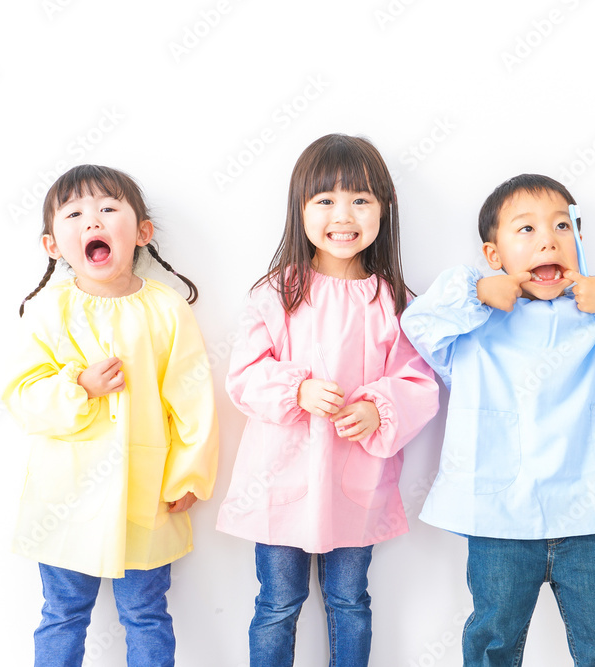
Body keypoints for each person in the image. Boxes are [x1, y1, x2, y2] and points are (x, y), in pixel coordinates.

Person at [401, 174, 595, 666]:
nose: (548, 240)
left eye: (562, 226)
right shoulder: (471, 321)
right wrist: (477, 293)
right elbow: (417, 324)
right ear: (493, 254)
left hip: (594, 517)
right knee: (492, 643)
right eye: (526, 229)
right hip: (499, 517)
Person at [216, 134, 439, 667]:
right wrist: (296, 390)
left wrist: (377, 409)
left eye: (360, 199)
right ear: (300, 209)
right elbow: (243, 376)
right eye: (325, 200)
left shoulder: (395, 302)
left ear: (385, 208)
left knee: (350, 601)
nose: (344, 215)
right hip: (280, 480)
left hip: (355, 481)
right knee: (277, 603)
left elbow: (418, 381)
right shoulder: (276, 293)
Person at [3, 164, 219, 667]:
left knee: (146, 613)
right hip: (65, 495)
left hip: (146, 494)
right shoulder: (48, 310)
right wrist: (78, 386)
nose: (92, 221)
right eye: (74, 214)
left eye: (107, 208)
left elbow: (192, 398)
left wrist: (190, 474)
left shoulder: (167, 310)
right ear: (52, 244)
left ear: (142, 232)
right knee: (63, 612)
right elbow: (22, 396)